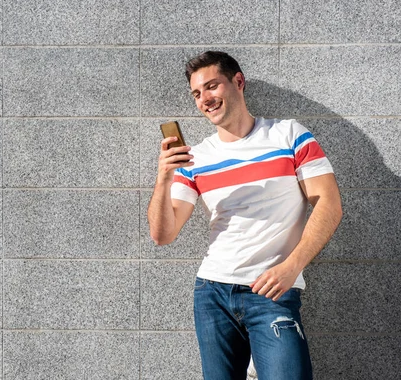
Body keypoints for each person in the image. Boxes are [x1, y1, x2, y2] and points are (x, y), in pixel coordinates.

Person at [147, 51, 343, 380]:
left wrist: (291, 267)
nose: (205, 99)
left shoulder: (289, 135)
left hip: (272, 292)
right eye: (197, 93)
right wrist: (163, 176)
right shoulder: (196, 158)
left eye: (212, 86)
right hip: (213, 294)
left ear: (238, 82)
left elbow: (329, 203)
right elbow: (162, 234)